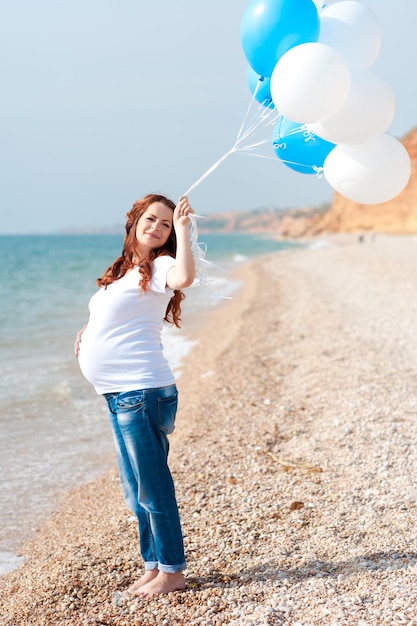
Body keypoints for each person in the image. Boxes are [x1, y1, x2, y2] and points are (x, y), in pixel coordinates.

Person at [74, 194, 195, 596]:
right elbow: (115, 317)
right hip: (119, 394)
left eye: (164, 224)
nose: (156, 227)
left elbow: (184, 279)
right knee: (133, 488)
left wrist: (184, 230)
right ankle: (153, 564)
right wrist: (87, 334)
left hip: (141, 391)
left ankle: (173, 572)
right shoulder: (126, 269)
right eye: (151, 219)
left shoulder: (162, 265)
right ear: (134, 221)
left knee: (152, 485)